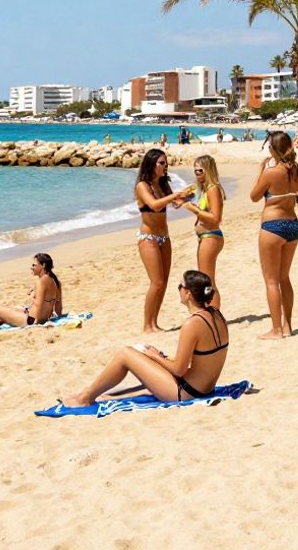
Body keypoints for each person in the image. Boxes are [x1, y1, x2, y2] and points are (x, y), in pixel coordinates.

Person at [61, 270, 227, 406]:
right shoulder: (217, 315)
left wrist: (155, 356)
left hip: (186, 393)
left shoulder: (192, 324)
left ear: (188, 293)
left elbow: (179, 370)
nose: (178, 290)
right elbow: (202, 359)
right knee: (149, 357)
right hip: (204, 388)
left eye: (180, 286)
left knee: (125, 354)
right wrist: (161, 356)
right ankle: (97, 395)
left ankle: (85, 399)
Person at [134, 148, 196, 333]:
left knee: (164, 281)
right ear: (151, 164)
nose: (165, 166)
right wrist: (175, 195)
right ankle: (147, 325)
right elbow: (154, 205)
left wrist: (188, 195)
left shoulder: (163, 184)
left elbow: (175, 204)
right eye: (161, 163)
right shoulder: (142, 186)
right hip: (148, 238)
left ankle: (155, 323)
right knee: (156, 282)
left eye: (166, 163)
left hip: (164, 237)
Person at [252, 131, 298, 339]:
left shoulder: (271, 173)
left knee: (271, 280)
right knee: (284, 278)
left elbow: (254, 196)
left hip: (273, 226)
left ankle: (276, 329)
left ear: (274, 149)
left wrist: (260, 171)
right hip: (292, 225)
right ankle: (287, 326)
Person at [0, 254, 63, 329]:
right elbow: (58, 305)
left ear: (43, 265)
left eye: (34, 265)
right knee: (6, 313)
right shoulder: (55, 281)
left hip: (31, 321)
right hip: (42, 318)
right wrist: (56, 318)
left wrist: (36, 324)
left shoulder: (40, 282)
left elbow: (39, 304)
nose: (31, 267)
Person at [180, 155, 226, 305]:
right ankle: (211, 312)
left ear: (208, 170)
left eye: (200, 171)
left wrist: (194, 209)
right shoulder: (202, 188)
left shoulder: (213, 189)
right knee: (205, 279)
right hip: (205, 237)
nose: (197, 174)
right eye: (195, 171)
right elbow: (178, 198)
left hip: (211, 236)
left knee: (208, 281)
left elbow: (216, 218)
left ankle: (214, 314)